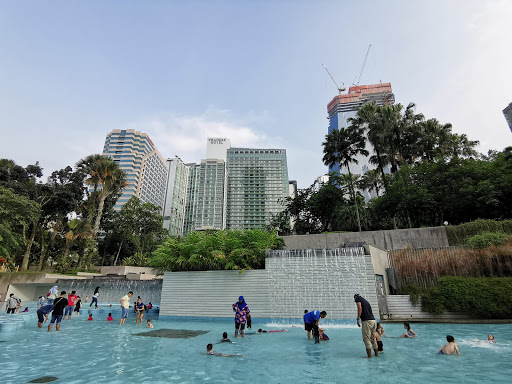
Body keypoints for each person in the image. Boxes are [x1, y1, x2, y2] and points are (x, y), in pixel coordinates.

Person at [355, 293, 378, 358]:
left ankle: (369, 356)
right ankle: (376, 355)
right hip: (373, 320)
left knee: (366, 339)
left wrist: (358, 319)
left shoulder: (358, 299)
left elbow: (359, 308)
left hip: (366, 321)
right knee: (373, 339)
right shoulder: (366, 301)